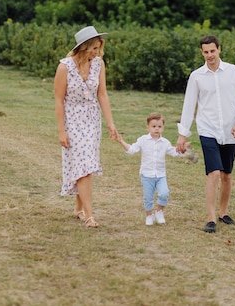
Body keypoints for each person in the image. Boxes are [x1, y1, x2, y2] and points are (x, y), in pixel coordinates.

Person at [176, 34, 235, 233]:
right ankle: (210, 219)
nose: (209, 55)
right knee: (214, 173)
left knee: (227, 174)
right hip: (207, 129)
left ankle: (223, 213)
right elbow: (189, 105)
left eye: (212, 51)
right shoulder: (196, 77)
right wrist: (183, 134)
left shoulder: (233, 72)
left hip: (230, 131)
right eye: (206, 52)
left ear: (219, 50)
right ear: (202, 52)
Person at [54, 25, 117, 228]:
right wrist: (61, 131)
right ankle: (90, 215)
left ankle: (79, 209)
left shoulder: (98, 64)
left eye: (98, 48)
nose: (96, 52)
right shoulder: (65, 67)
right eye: (93, 48)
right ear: (83, 47)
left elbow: (102, 94)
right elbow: (58, 100)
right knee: (83, 165)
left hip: (92, 119)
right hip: (72, 120)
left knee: (87, 165)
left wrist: (111, 123)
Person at [116, 112, 190, 226]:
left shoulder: (165, 142)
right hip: (146, 175)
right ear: (148, 127)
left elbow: (174, 152)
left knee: (164, 193)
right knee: (148, 197)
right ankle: (149, 215)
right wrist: (121, 141)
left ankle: (159, 212)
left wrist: (183, 149)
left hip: (160, 175)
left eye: (159, 127)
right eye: (154, 126)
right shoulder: (143, 140)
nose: (156, 129)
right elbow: (131, 150)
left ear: (163, 128)